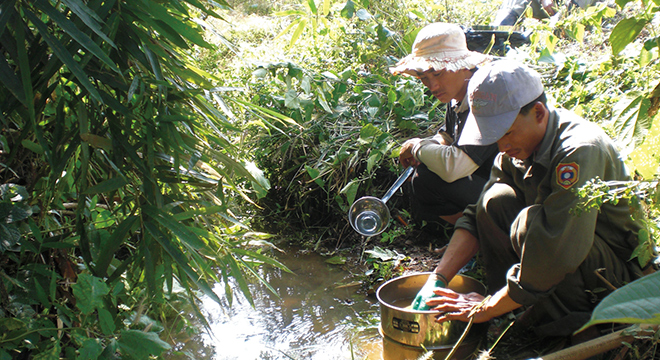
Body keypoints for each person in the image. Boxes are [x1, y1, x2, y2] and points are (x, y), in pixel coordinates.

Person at [413, 60, 653, 337]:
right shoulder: (516, 148)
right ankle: (517, 307)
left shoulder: (578, 151)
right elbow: (477, 215)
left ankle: (556, 323)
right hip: (565, 255)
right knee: (495, 200)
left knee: (529, 223)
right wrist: (439, 278)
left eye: (506, 133)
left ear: (538, 112)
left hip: (615, 279)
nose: (501, 146)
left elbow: (556, 251)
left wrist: (485, 309)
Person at [389, 22, 499, 232]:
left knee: (429, 177)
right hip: (486, 182)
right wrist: (426, 144)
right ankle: (471, 235)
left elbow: (454, 167)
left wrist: (416, 147)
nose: (432, 86)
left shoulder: (485, 96)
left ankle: (488, 237)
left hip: (516, 193)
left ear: (463, 65)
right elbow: (447, 137)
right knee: (422, 180)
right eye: (424, 78)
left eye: (437, 74)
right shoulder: (457, 99)